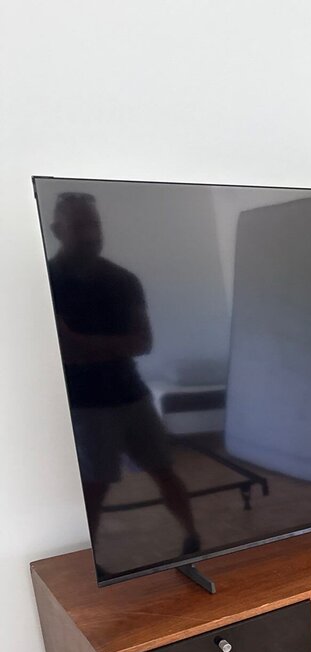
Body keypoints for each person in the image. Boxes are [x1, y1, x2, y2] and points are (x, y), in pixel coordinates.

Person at [47, 192, 200, 565]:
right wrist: (113, 345)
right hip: (85, 404)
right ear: (56, 230)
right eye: (79, 225)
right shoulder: (45, 282)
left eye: (94, 224)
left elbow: (143, 342)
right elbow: (59, 349)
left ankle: (194, 539)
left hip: (132, 394)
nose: (90, 233)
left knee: (163, 469)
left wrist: (83, 343)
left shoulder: (122, 280)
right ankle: (90, 564)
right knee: (95, 485)